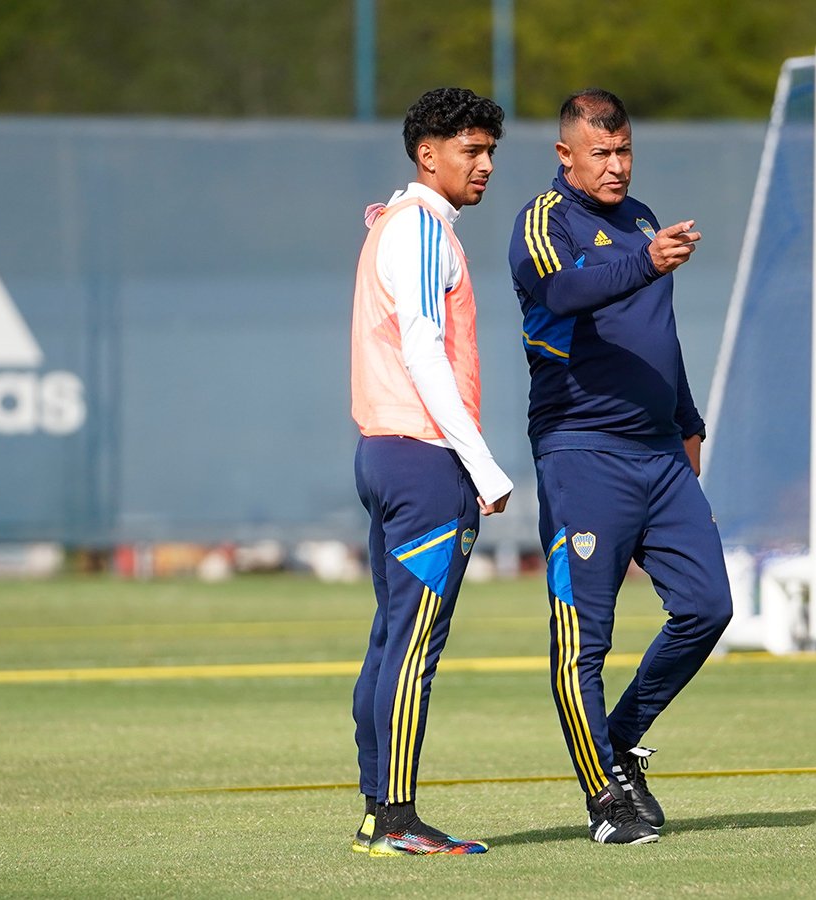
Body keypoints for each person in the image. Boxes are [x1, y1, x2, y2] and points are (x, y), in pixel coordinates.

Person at [508, 88, 732, 845]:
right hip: (583, 452)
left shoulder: (639, 218)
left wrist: (689, 422)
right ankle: (605, 799)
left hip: (659, 454)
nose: (616, 165)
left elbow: (656, 338)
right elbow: (561, 290)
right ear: (565, 155)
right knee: (584, 640)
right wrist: (643, 259)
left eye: (624, 150)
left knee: (708, 608)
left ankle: (618, 744)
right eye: (600, 152)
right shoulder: (544, 220)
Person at [349, 87, 513, 857]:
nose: (484, 165)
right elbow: (421, 346)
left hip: (388, 453)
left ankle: (378, 808)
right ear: (428, 155)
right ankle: (397, 823)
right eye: (470, 151)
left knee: (391, 639)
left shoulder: (405, 221)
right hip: (423, 460)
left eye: (489, 151)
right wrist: (480, 462)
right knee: (415, 646)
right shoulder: (417, 228)